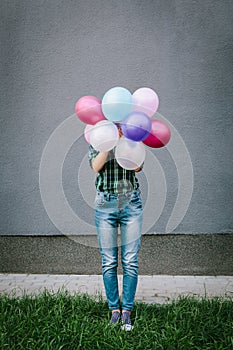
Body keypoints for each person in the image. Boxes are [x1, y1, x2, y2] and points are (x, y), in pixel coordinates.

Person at [88, 126, 143, 331]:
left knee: (130, 260)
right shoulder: (97, 138)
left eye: (121, 124)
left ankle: (127, 310)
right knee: (109, 261)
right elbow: (96, 166)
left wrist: (125, 143)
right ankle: (115, 310)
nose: (118, 128)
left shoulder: (133, 139)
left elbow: (137, 167)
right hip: (105, 204)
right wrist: (108, 144)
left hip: (131, 203)